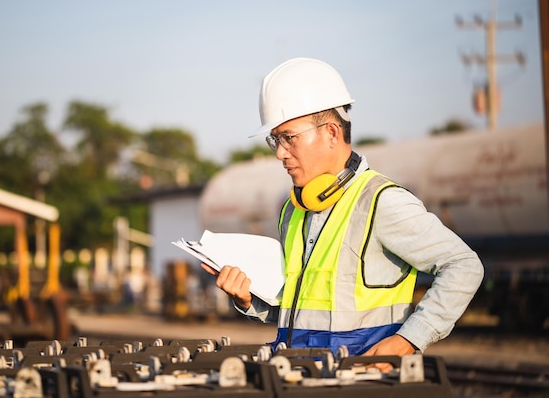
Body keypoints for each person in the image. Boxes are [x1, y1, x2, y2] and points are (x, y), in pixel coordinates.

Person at [202, 57, 484, 361]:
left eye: (289, 138)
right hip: (300, 378)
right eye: (275, 140)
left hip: (362, 383)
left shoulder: (380, 202)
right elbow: (299, 314)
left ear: (332, 133)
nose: (281, 153)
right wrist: (248, 299)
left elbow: (464, 265)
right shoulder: (293, 211)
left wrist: (408, 340)